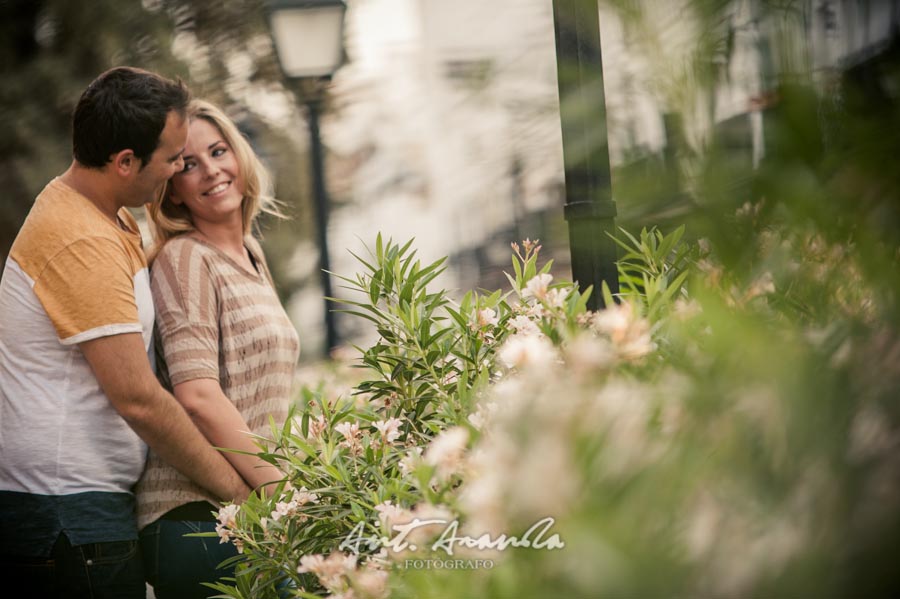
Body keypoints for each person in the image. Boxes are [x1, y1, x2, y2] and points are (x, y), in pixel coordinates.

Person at [0, 67, 252, 599]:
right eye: (173, 161)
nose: (177, 173)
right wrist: (237, 493)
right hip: (66, 517)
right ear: (124, 163)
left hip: (79, 509)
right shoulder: (80, 241)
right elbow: (138, 399)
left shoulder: (99, 215)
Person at [136, 99, 300, 598]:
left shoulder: (250, 253)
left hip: (246, 512)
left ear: (240, 156)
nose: (210, 170)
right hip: (195, 520)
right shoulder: (184, 259)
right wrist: (281, 494)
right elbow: (198, 395)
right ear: (172, 189)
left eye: (218, 151)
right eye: (188, 164)